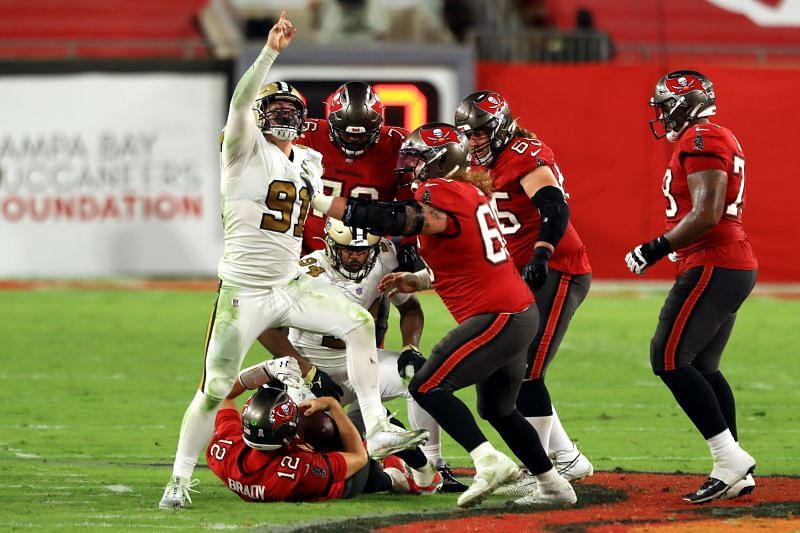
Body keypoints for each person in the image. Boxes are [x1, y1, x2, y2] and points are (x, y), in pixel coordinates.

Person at [158, 12, 426, 510]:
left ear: (302, 117)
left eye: (289, 107)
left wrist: (388, 218)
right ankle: (178, 479)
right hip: (244, 290)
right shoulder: (242, 148)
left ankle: (377, 428)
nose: (281, 114)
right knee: (214, 389)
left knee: (359, 322)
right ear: (260, 114)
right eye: (273, 106)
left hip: (290, 281)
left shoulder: (309, 160)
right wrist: (270, 53)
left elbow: (325, 208)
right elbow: (240, 102)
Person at [304, 122, 577, 508]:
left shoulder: (440, 191)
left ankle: (487, 461)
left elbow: (400, 220)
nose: (410, 166)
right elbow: (468, 256)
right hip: (514, 312)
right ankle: (553, 484)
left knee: (427, 385)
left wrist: (323, 203)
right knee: (497, 407)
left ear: (439, 161)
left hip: (497, 314)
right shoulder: (470, 192)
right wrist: (418, 280)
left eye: (417, 159)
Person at [624, 70, 757, 504]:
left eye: (665, 105)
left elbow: (707, 212)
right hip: (726, 262)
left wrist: (654, 248)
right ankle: (733, 464)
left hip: (714, 260)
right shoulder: (708, 136)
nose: (661, 115)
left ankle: (729, 459)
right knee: (701, 364)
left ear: (687, 103)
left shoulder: (701, 138)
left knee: (668, 358)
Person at [258, 218, 467, 492]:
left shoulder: (384, 259)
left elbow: (411, 309)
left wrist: (409, 348)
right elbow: (263, 326)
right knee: (317, 449)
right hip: (313, 373)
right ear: (331, 245)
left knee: (423, 378)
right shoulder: (305, 272)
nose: (356, 256)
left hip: (364, 366)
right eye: (348, 250)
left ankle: (432, 466)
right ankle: (382, 453)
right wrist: (306, 368)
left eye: (362, 250)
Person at [454, 91, 593, 496]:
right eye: (469, 134)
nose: (475, 140)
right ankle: (566, 455)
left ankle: (542, 469)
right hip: (519, 274)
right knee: (513, 366)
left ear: (500, 126)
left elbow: (554, 206)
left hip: (556, 268)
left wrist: (543, 251)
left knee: (528, 372)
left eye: (480, 132)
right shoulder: (476, 164)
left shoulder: (523, 153)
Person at [206, 382, 434, 502]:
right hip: (347, 480)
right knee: (364, 431)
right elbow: (357, 458)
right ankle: (404, 474)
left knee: (323, 425)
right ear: (286, 437)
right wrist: (333, 406)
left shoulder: (224, 450)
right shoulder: (297, 471)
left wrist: (259, 373)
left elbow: (223, 396)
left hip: (293, 463)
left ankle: (385, 457)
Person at [298, 80, 412, 256]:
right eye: (346, 134)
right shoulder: (307, 135)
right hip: (310, 250)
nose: (353, 140)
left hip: (370, 256)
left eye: (362, 136)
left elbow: (411, 207)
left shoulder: (398, 144)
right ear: (331, 126)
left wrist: (409, 244)